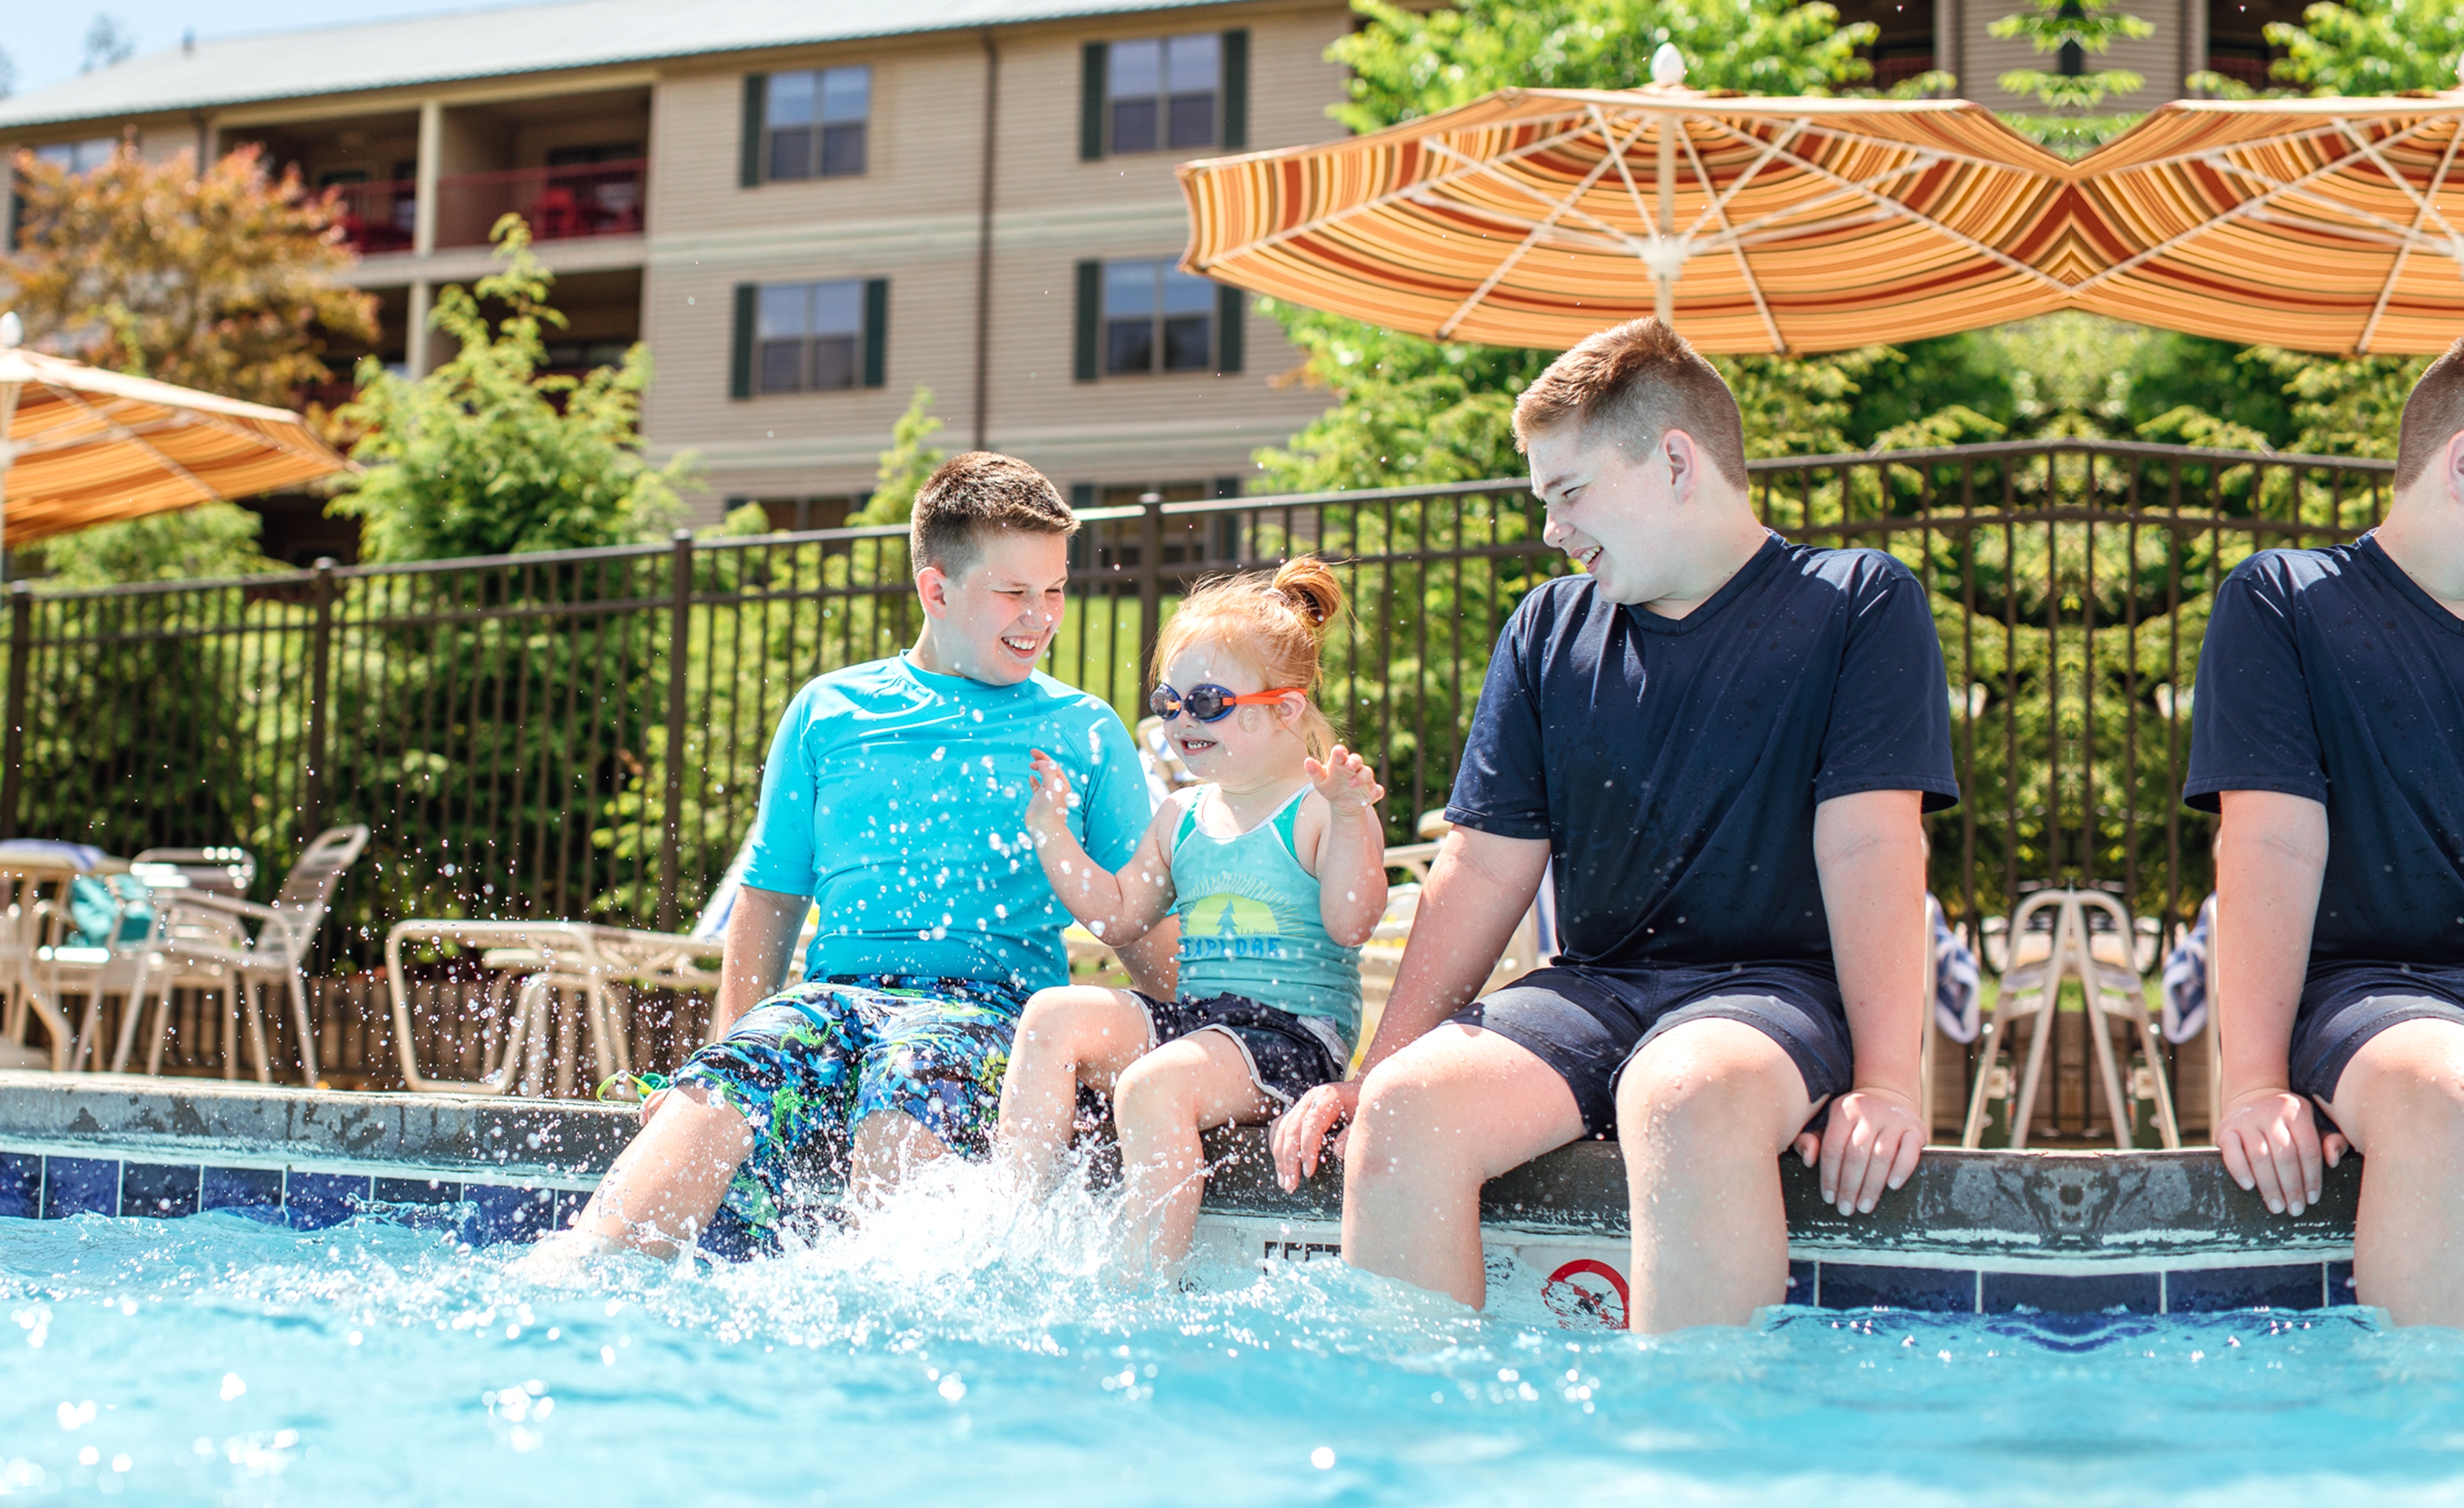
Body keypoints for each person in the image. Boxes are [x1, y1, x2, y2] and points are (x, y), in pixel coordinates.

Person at [1267, 317, 1957, 1332]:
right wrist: (1374, 1071)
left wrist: (1891, 1082)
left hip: (1777, 995)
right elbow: (1483, 867)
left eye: (1568, 491)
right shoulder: (1549, 628)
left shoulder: (1855, 604)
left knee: (1681, 1093)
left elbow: (1874, 848)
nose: (1552, 527)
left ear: (1676, 461)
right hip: (1593, 992)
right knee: (1411, 1109)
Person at [533, 451, 1164, 1261]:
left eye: (1055, 589)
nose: (1040, 615)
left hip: (986, 1013)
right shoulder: (830, 712)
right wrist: (727, 1048)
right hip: (834, 999)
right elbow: (770, 897)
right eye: (1014, 591)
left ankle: (886, 1337)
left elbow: (1137, 918)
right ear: (936, 589)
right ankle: (578, 1288)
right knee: (717, 1086)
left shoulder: (1084, 731)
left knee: (909, 1077)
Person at [992, 557, 1388, 1283]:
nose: (1180, 719)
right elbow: (1116, 917)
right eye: (1169, 700)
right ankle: (1010, 1240)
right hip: (1203, 1021)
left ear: (1285, 709)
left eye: (1208, 701)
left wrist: (1354, 816)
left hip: (1289, 1037)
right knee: (1050, 1015)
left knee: (1152, 1086)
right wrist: (1051, 828)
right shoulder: (1180, 816)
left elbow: (1352, 921)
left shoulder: (1318, 806)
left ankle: (1141, 1292)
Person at [2188, 335, 2464, 1328]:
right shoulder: (2288, 604)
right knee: (2450, 1091)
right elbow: (2270, 845)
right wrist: (2255, 1082)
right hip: (2378, 1003)